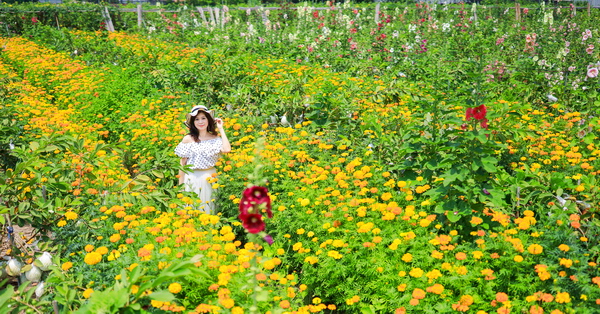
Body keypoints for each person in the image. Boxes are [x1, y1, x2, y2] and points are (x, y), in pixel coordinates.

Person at [174, 105, 231, 214]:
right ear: (193, 122)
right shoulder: (188, 139)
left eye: (203, 118)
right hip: (192, 178)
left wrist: (221, 128)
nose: (200, 122)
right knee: (191, 210)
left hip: (210, 178)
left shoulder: (214, 139)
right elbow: (182, 165)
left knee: (209, 210)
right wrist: (180, 187)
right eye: (197, 119)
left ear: (208, 120)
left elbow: (227, 149)